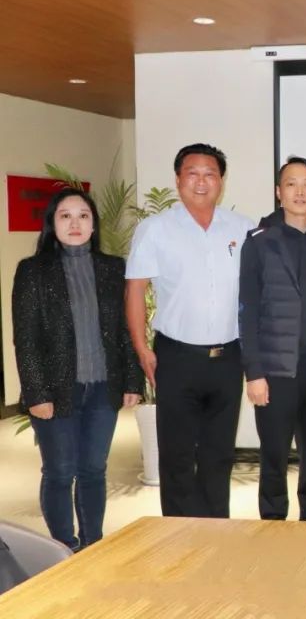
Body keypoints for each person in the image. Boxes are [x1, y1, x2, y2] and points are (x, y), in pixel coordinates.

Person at [126, 143, 255, 518]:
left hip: (228, 357)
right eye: (192, 173)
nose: (201, 182)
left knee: (219, 453)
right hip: (176, 356)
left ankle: (215, 530)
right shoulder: (155, 229)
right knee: (177, 454)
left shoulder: (244, 228)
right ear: (178, 179)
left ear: (221, 181)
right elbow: (135, 290)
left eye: (210, 174)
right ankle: (179, 535)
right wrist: (142, 349)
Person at [12, 187, 143, 550]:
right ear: (52, 224)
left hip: (103, 389)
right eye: (65, 216)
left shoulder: (113, 268)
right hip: (55, 391)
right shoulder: (33, 271)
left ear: (93, 224)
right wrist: (36, 394)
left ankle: (93, 546)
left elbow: (125, 330)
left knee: (93, 471)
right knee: (59, 472)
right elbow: (26, 338)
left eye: (83, 216)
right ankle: (63, 549)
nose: (75, 224)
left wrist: (132, 380)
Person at [239, 156, 306, 521]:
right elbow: (247, 309)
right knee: (274, 452)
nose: (300, 192)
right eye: (291, 184)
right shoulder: (259, 241)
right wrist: (254, 372)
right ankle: (272, 521)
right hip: (275, 368)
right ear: (278, 192)